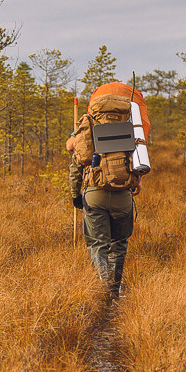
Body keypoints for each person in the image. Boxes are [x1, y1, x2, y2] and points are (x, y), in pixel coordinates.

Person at [66, 81, 149, 296]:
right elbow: (138, 159)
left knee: (97, 244)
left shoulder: (89, 124)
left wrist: (76, 195)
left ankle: (101, 285)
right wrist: (137, 180)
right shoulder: (131, 125)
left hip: (95, 193)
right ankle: (114, 288)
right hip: (123, 194)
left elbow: (77, 162)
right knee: (119, 243)